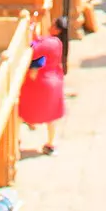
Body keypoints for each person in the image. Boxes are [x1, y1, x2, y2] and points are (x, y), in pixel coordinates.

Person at [18, 16, 69, 154]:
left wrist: (30, 33)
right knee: (51, 116)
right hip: (54, 81)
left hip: (41, 81)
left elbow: (34, 48)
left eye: (53, 25)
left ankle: (17, 139)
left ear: (57, 30)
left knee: (22, 108)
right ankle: (51, 143)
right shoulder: (57, 43)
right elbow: (39, 41)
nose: (50, 25)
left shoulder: (50, 43)